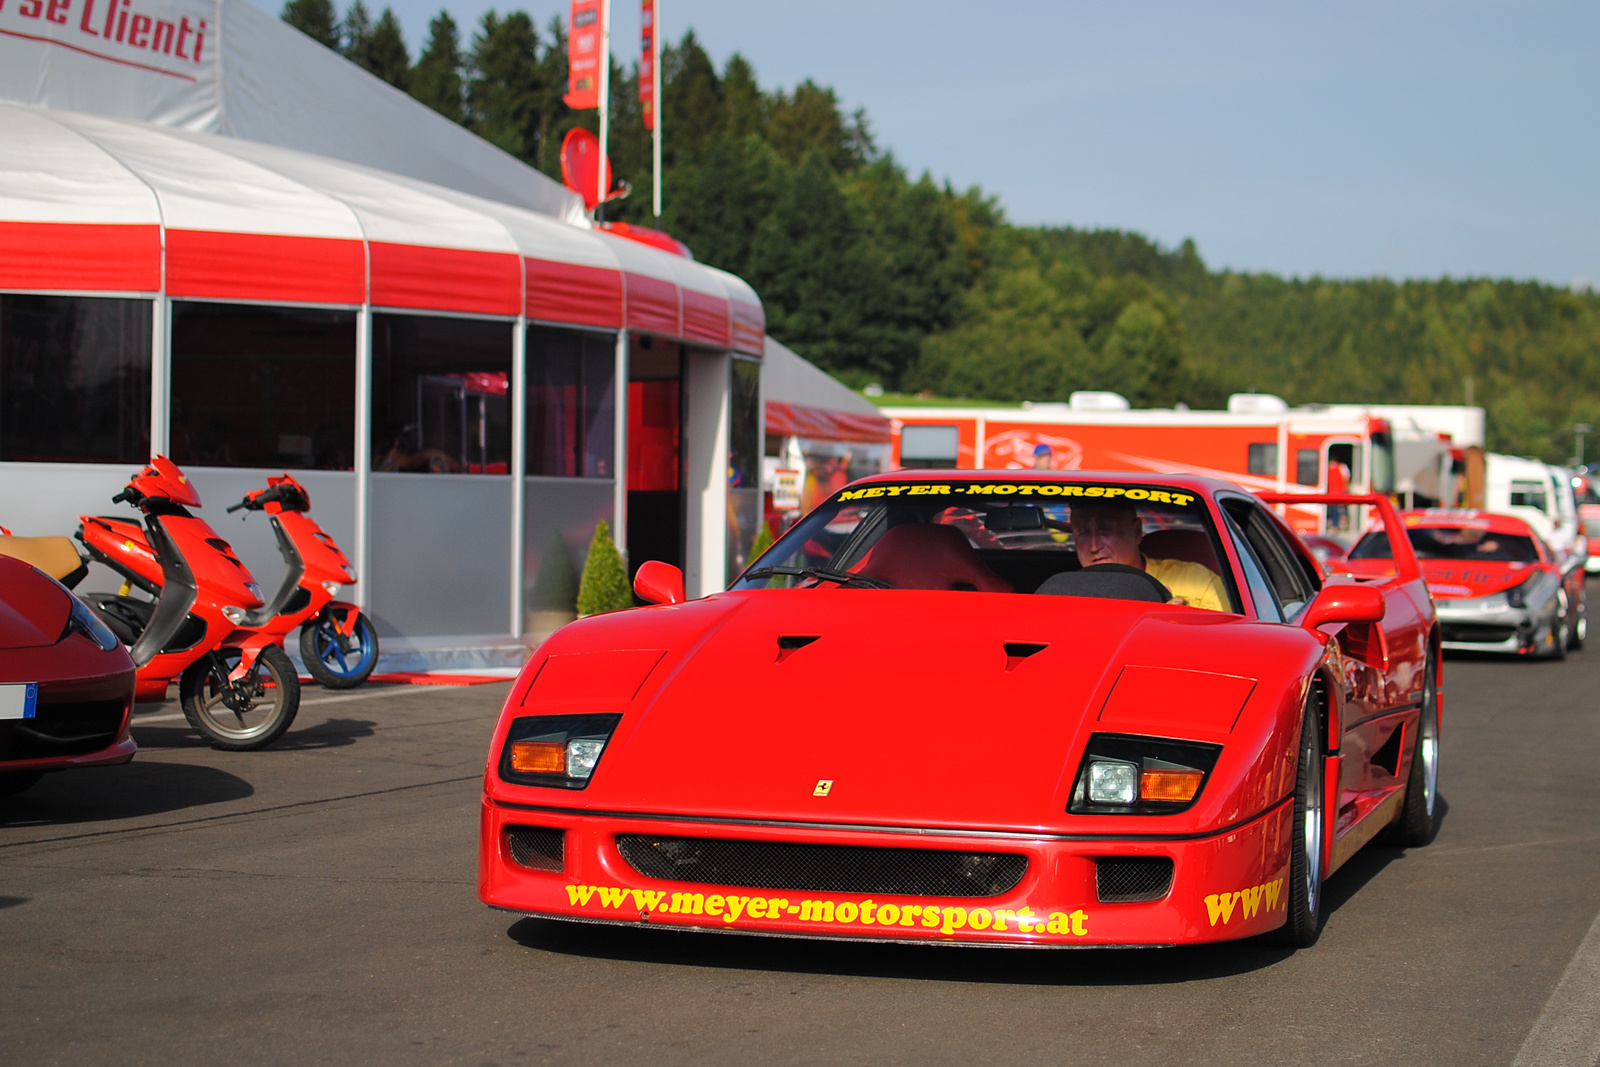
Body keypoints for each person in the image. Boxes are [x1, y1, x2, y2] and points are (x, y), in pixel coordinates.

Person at [1069, 499, 1228, 612]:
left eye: (1105, 530)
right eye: (1082, 533)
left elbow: (1227, 645)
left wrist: (1184, 626)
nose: (1094, 546)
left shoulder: (1197, 583)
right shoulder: (1063, 595)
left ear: (1137, 531)